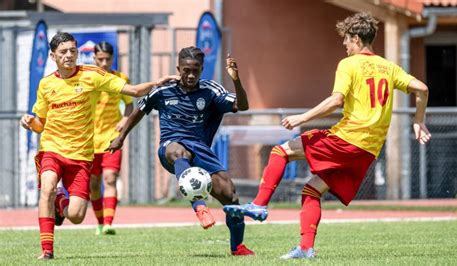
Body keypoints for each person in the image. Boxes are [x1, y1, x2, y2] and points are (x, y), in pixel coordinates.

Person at [224, 12, 431, 259]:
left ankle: (258, 204)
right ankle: (305, 248)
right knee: (312, 191)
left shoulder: (349, 64)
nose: (344, 44)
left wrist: (302, 118)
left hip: (346, 139)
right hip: (367, 151)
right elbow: (422, 88)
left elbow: (336, 100)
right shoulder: (388, 67)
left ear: (355, 38)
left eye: (346, 39)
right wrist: (418, 121)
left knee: (281, 151)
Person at [20, 32, 177, 260]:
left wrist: (156, 83)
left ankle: (61, 202)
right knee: (47, 187)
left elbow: (132, 91)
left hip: (81, 155)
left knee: (75, 215)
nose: (69, 55)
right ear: (53, 56)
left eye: (73, 51)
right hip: (52, 148)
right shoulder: (46, 85)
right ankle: (47, 250)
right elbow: (40, 124)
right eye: (63, 52)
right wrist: (29, 122)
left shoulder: (91, 76)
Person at [107, 46, 254, 256]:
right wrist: (121, 137)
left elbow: (243, 106)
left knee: (231, 197)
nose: (191, 75)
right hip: (171, 146)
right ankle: (199, 206)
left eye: (196, 70)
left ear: (202, 69)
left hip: (201, 150)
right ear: (179, 68)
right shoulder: (163, 91)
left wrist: (236, 80)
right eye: (186, 70)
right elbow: (139, 110)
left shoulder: (211, 90)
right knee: (178, 152)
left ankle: (237, 247)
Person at [89, 41, 133, 236]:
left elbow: (130, 104)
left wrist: (124, 120)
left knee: (110, 178)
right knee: (93, 183)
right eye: (100, 59)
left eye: (108, 59)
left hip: (111, 138)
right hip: (89, 141)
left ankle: (108, 223)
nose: (104, 63)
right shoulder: (88, 79)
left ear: (113, 58)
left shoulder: (120, 79)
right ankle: (99, 222)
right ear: (94, 59)